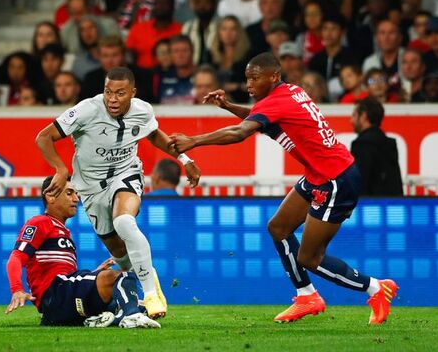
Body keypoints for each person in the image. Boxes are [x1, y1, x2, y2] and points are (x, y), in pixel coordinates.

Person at [169, 53, 398, 325]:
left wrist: (193, 141)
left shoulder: (279, 100)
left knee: (310, 258)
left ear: (274, 76)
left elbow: (241, 133)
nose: (249, 84)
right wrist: (229, 106)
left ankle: (376, 288)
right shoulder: (289, 93)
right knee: (278, 228)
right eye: (247, 78)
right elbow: (260, 118)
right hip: (318, 174)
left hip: (336, 179)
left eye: (255, 78)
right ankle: (306, 296)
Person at [35, 66, 201, 319]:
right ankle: (143, 275)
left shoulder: (143, 110)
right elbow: (43, 137)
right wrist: (59, 168)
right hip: (90, 188)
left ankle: (150, 295)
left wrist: (184, 158)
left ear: (132, 93)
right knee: (118, 251)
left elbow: (154, 135)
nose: (112, 99)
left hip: (126, 173)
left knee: (124, 221)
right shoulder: (87, 110)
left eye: (120, 93)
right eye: (108, 92)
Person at [5, 175, 160, 328]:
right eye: (69, 193)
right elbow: (16, 257)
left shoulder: (63, 231)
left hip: (61, 303)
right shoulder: (39, 223)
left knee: (140, 306)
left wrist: (94, 274)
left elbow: (65, 276)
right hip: (55, 294)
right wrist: (17, 289)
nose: (76, 199)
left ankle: (101, 320)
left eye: (76, 194)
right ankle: (131, 317)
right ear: (50, 196)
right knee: (122, 277)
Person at [350, 97, 403, 196]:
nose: (351, 120)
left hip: (370, 208)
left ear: (363, 116)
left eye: (354, 115)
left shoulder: (362, 145)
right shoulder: (389, 144)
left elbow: (358, 184)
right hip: (393, 207)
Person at [126, 0, 181, 69]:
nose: (160, 6)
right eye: (157, 3)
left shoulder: (181, 30)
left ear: (172, 7)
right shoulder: (137, 28)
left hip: (169, 73)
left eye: (165, 3)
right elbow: (129, 53)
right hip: (140, 73)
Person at [182, 0, 218, 65]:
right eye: (198, 2)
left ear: (214, 5)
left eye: (207, 2)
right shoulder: (188, 27)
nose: (202, 6)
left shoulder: (221, 27)